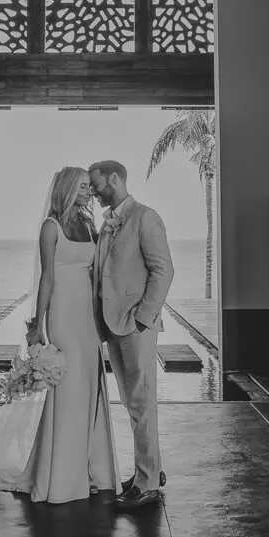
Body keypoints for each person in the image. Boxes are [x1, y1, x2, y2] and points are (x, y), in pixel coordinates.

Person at [0, 166, 119, 504]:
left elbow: (103, 267)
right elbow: (47, 280)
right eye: (84, 187)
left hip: (87, 319)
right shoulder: (51, 227)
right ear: (68, 189)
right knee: (69, 391)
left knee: (91, 387)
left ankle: (95, 470)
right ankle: (61, 476)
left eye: (90, 187)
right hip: (63, 318)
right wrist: (37, 326)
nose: (89, 193)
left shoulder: (88, 225)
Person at [88, 160, 174, 510]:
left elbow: (163, 271)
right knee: (132, 402)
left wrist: (143, 317)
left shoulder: (145, 217)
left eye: (96, 185)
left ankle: (147, 484)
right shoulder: (107, 223)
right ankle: (149, 471)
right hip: (112, 325)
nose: (92, 192)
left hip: (135, 326)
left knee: (142, 403)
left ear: (114, 178)